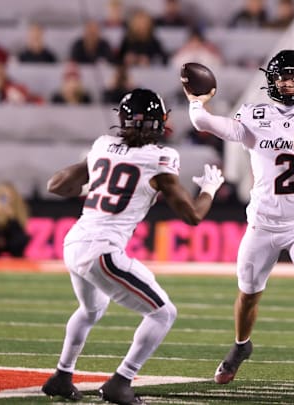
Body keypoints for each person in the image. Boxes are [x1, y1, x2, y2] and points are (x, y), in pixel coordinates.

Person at [40, 88, 225, 405]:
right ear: (161, 123)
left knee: (91, 309)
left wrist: (95, 170)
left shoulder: (102, 145)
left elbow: (55, 185)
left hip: (75, 241)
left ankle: (61, 376)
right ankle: (121, 381)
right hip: (103, 250)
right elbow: (193, 216)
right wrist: (209, 189)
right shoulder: (161, 158)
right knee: (163, 313)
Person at [185, 49, 294, 384]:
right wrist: (197, 101)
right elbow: (204, 123)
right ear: (271, 81)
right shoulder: (254, 115)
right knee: (247, 294)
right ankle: (242, 346)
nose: (289, 84)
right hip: (263, 223)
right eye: (283, 77)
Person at [0, 181, 30, 257]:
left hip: (12, 242)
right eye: (2, 196)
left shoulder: (19, 209)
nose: (5, 200)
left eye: (8, 196)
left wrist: (12, 218)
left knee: (23, 238)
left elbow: (20, 231)